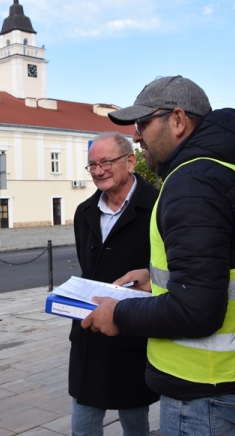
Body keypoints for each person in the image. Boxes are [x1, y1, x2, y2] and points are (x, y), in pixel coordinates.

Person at [81, 76, 235, 435]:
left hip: (204, 388)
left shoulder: (194, 182)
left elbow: (196, 311)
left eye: (143, 123)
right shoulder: (234, 172)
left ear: (178, 120)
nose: (137, 136)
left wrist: (118, 312)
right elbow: (233, 261)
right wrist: (158, 277)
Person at [69, 132, 159, 436]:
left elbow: (176, 269)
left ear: (130, 161)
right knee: (83, 421)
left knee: (135, 422)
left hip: (131, 330)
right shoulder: (84, 212)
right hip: (89, 330)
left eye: (105, 162)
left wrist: (151, 279)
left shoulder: (159, 208)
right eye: (91, 165)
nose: (97, 171)